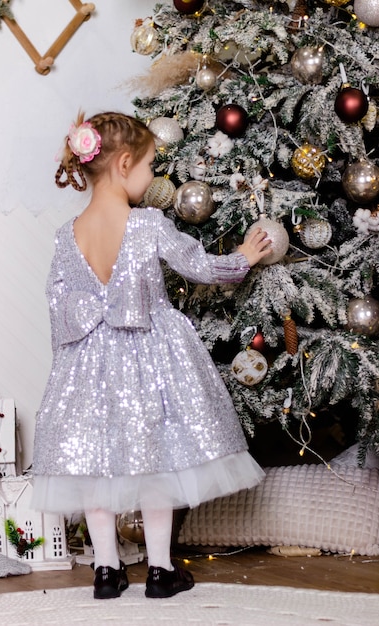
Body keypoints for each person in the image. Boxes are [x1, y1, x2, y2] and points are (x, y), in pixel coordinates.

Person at [31, 111, 272, 600]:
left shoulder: (66, 233)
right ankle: (160, 571)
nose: (153, 179)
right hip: (149, 359)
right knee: (156, 457)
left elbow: (58, 303)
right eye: (149, 168)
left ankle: (105, 570)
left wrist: (68, 363)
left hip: (88, 365)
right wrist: (244, 256)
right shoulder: (147, 224)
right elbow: (200, 266)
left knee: (95, 465)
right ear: (123, 164)